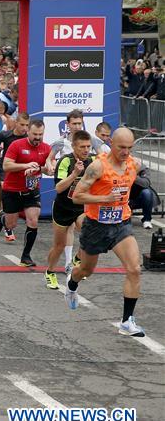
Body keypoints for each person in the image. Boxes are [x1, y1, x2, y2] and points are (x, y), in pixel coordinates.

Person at [68, 128, 146, 337]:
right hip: (96, 227)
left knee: (134, 269)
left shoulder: (134, 163)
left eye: (129, 148)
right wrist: (103, 199)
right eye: (121, 147)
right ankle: (72, 282)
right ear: (111, 143)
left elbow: (140, 173)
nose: (125, 152)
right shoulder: (97, 167)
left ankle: (127, 322)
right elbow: (77, 196)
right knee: (86, 271)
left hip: (121, 224)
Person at [0, 120, 52, 267]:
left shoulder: (46, 148)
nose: (37, 137)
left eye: (40, 134)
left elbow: (48, 167)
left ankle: (26, 256)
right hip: (12, 190)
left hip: (31, 190)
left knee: (33, 220)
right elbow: (6, 166)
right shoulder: (17, 145)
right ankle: (1, 218)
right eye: (35, 134)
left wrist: (49, 168)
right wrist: (25, 165)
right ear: (28, 132)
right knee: (11, 224)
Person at [46, 130, 93, 290]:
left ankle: (77, 259)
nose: (86, 150)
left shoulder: (92, 161)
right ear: (73, 146)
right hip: (62, 208)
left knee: (89, 233)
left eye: (88, 146)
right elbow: (59, 188)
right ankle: (50, 272)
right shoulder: (66, 161)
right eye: (82, 147)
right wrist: (75, 174)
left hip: (80, 208)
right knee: (59, 245)